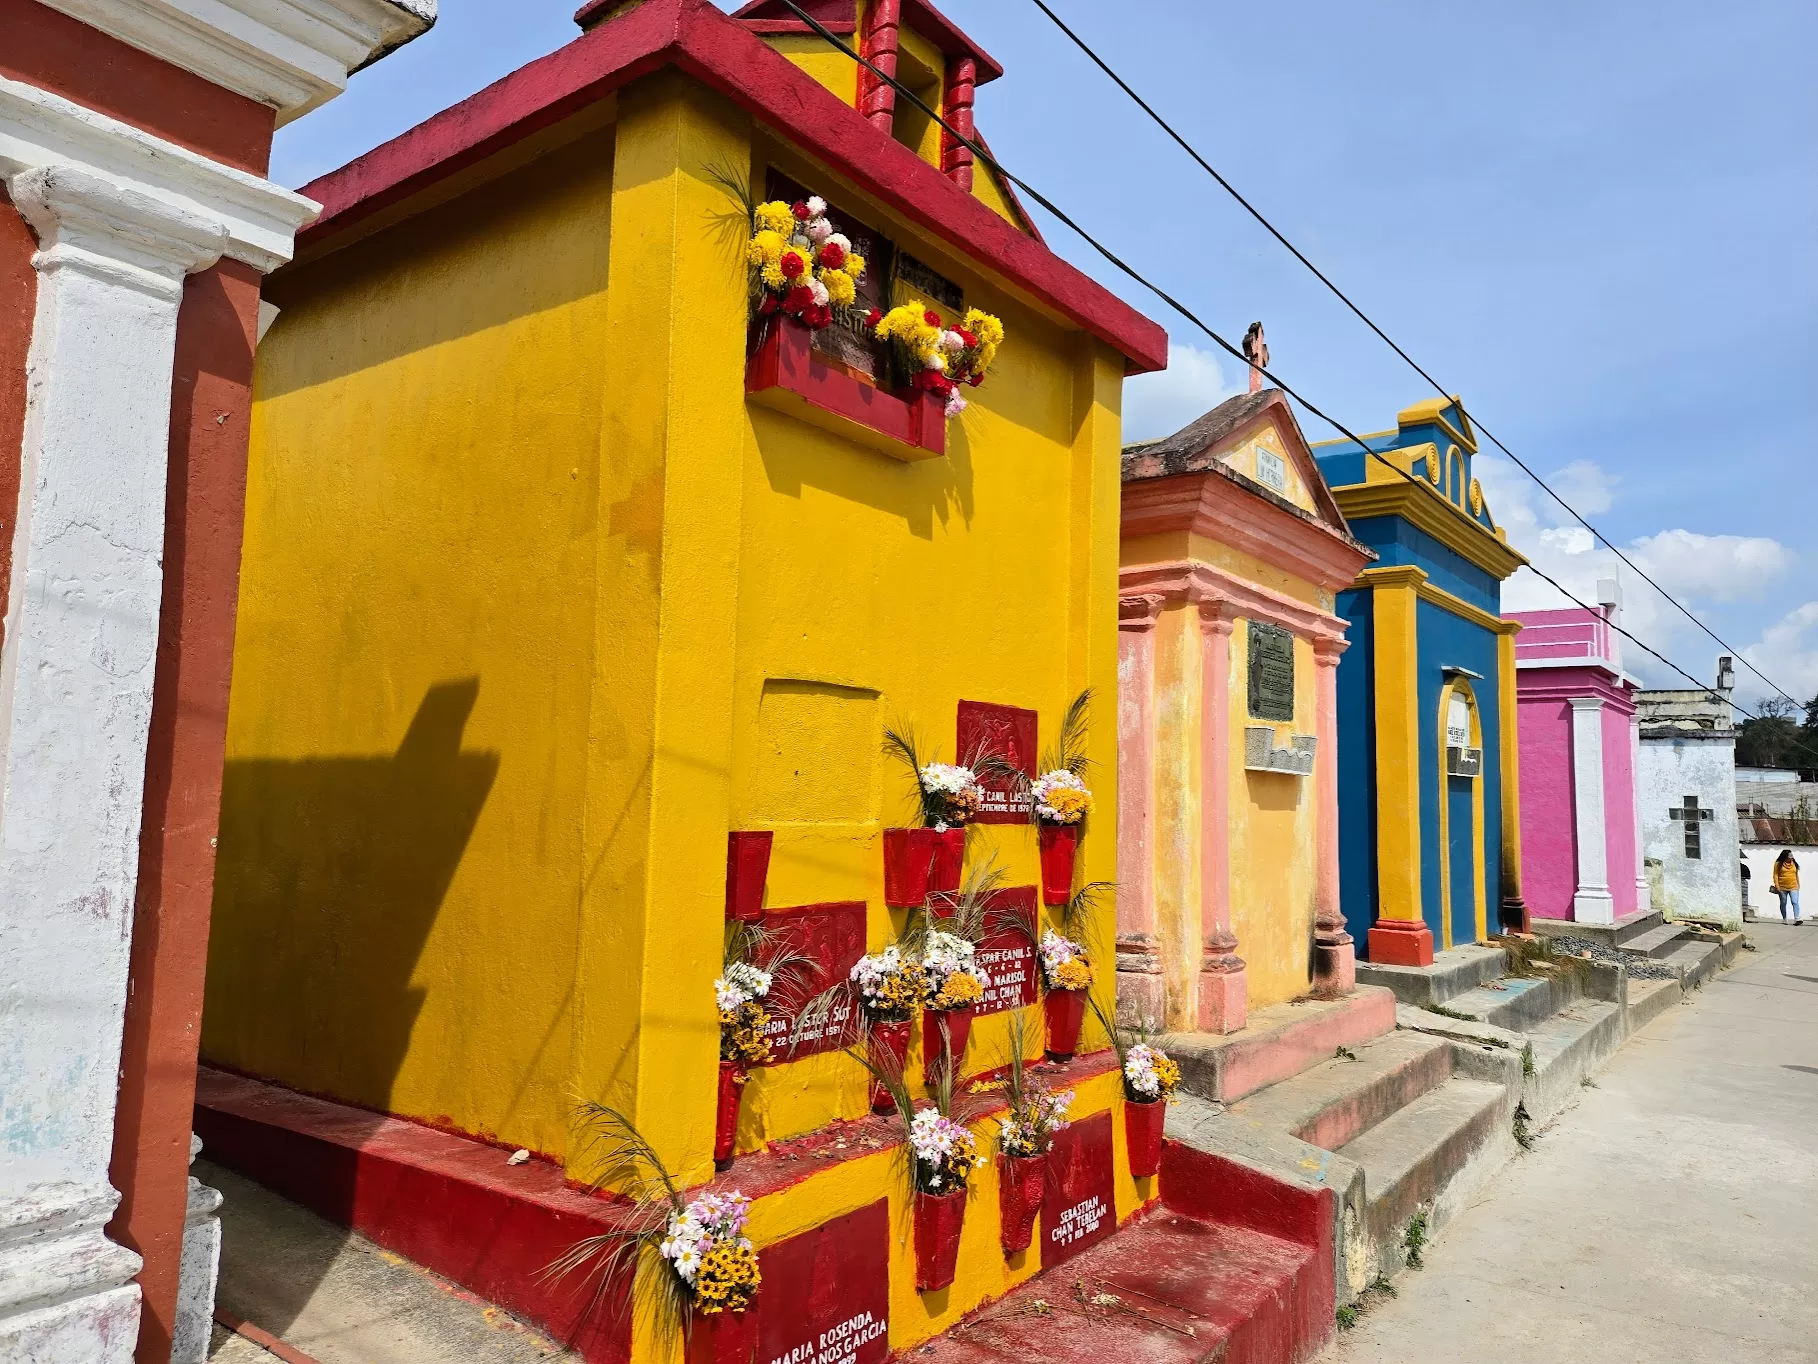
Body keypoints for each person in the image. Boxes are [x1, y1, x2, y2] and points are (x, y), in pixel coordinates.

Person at [1771, 849, 1802, 924]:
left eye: (1792, 856)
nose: (1791, 858)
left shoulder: (1794, 863)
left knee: (1795, 902)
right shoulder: (1778, 864)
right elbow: (1775, 875)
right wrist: (1777, 885)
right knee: (1783, 902)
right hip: (1782, 887)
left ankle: (1797, 918)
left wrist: (1798, 885)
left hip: (1793, 886)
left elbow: (1796, 874)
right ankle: (1784, 918)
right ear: (1784, 857)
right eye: (1789, 857)